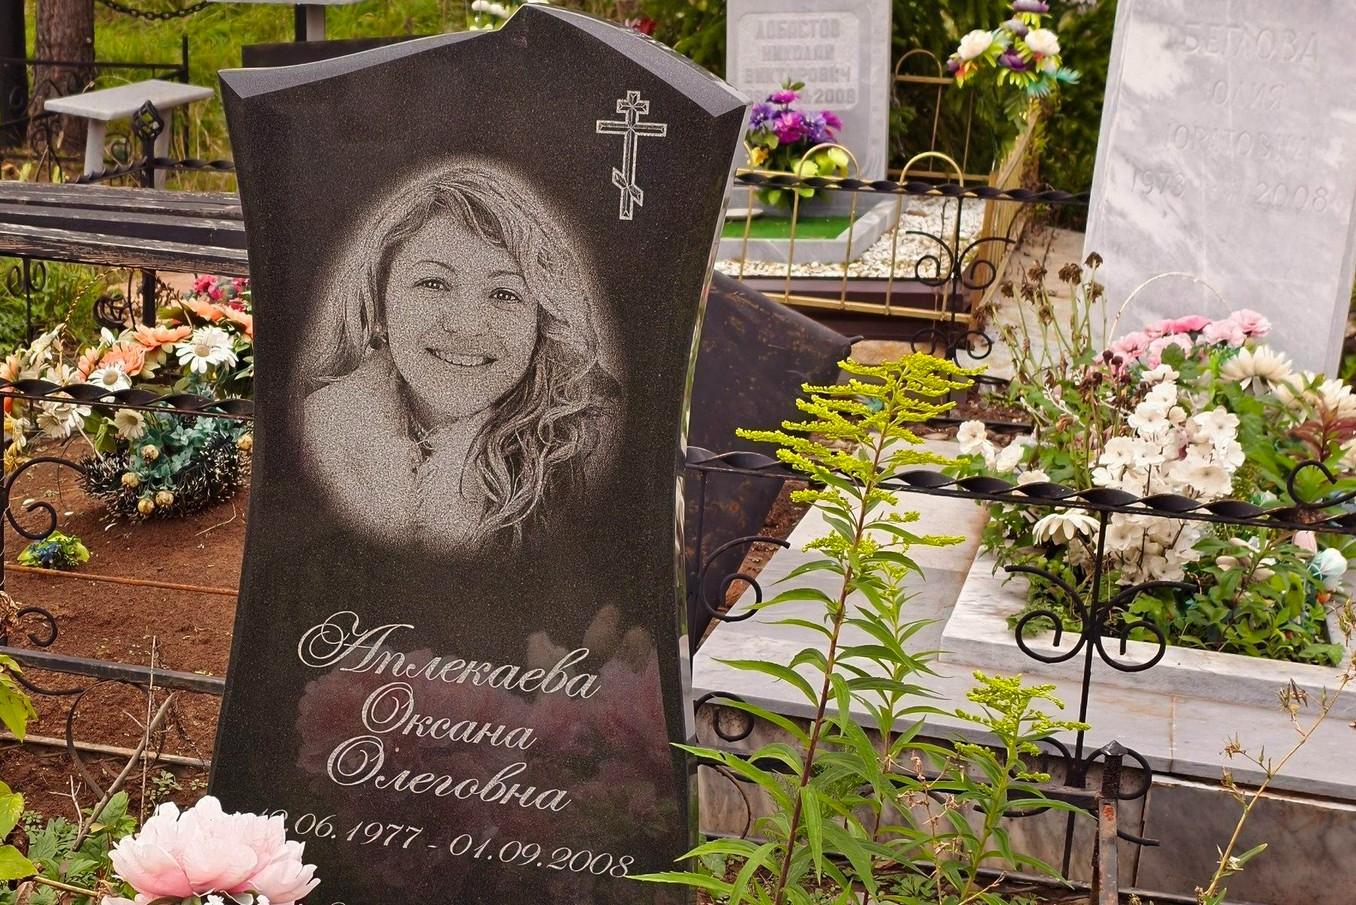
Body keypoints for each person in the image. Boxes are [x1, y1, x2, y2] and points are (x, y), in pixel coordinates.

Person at [301, 162, 622, 555]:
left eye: (504, 293)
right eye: (433, 283)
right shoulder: (320, 438)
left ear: (540, 321)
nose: (467, 325)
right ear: (380, 306)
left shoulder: (590, 453)